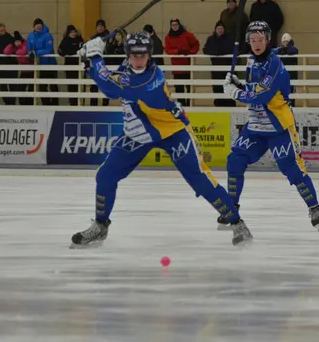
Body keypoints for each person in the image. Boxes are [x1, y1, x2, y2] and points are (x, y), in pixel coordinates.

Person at [71, 32, 252, 248]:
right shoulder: (127, 70)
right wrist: (88, 63)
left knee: (199, 179)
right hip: (137, 135)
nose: (139, 60)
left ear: (149, 55)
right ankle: (101, 225)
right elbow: (108, 79)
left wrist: (94, 57)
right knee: (105, 176)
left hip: (172, 132)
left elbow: (110, 87)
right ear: (128, 55)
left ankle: (237, 222)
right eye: (134, 55)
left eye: (143, 55)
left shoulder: (149, 79)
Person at [219, 21, 319, 232]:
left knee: (293, 169)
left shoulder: (275, 64)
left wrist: (234, 92)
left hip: (278, 126)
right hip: (257, 126)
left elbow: (263, 95)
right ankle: (231, 207)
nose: (256, 43)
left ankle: (314, 208)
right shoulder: (251, 61)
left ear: (267, 40)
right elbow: (255, 86)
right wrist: (241, 84)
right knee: (234, 161)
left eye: (260, 40)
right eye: (252, 40)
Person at [164, 18, 199, 106]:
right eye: (173, 25)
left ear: (179, 25)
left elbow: (196, 44)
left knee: (188, 86)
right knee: (178, 87)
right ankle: (181, 104)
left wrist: (191, 52)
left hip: (187, 65)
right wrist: (177, 51)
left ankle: (189, 103)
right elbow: (168, 50)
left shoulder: (187, 35)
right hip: (176, 67)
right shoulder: (168, 37)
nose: (174, 26)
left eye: (176, 24)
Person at [203, 21, 235, 107]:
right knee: (217, 88)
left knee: (228, 87)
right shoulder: (211, 39)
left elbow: (232, 50)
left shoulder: (229, 39)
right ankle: (218, 106)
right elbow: (205, 50)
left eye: (221, 28)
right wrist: (214, 52)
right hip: (215, 68)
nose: (220, 30)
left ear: (224, 30)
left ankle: (230, 105)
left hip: (227, 68)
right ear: (215, 29)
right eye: (218, 28)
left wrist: (221, 52)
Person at [27, 18, 57, 106]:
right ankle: (46, 103)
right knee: (42, 86)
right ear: (34, 26)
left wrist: (36, 53)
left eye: (40, 25)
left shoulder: (47, 35)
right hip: (38, 64)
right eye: (37, 25)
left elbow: (49, 49)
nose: (38, 27)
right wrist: (30, 53)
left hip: (50, 63)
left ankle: (55, 104)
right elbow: (28, 49)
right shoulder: (31, 36)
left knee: (52, 85)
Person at [57, 25, 84, 106]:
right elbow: (61, 51)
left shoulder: (80, 40)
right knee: (70, 85)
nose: (73, 33)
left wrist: (70, 51)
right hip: (69, 66)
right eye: (71, 32)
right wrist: (72, 51)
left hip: (79, 66)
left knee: (79, 86)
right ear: (68, 33)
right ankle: (72, 104)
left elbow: (82, 50)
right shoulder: (65, 40)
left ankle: (79, 104)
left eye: (74, 32)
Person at [3, 32, 31, 105]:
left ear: (21, 41)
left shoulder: (26, 44)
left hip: (31, 69)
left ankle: (29, 105)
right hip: (24, 71)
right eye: (16, 41)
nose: (18, 43)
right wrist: (12, 45)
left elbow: (23, 52)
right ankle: (23, 104)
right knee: (20, 88)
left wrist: (15, 50)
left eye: (19, 41)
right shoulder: (15, 46)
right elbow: (6, 51)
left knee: (30, 89)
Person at [88, 20, 111, 106]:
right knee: (94, 85)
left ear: (104, 27)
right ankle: (93, 105)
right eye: (98, 26)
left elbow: (109, 50)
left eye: (101, 26)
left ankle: (105, 106)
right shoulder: (93, 37)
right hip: (95, 63)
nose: (100, 28)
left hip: (105, 63)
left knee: (105, 85)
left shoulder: (108, 37)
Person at [276, 33, 299, 106]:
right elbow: (273, 52)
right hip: (282, 75)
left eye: (286, 42)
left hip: (291, 75)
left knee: (291, 91)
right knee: (281, 91)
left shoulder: (294, 49)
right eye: (284, 42)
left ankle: (292, 105)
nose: (285, 43)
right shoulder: (280, 49)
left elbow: (291, 52)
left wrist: (286, 48)